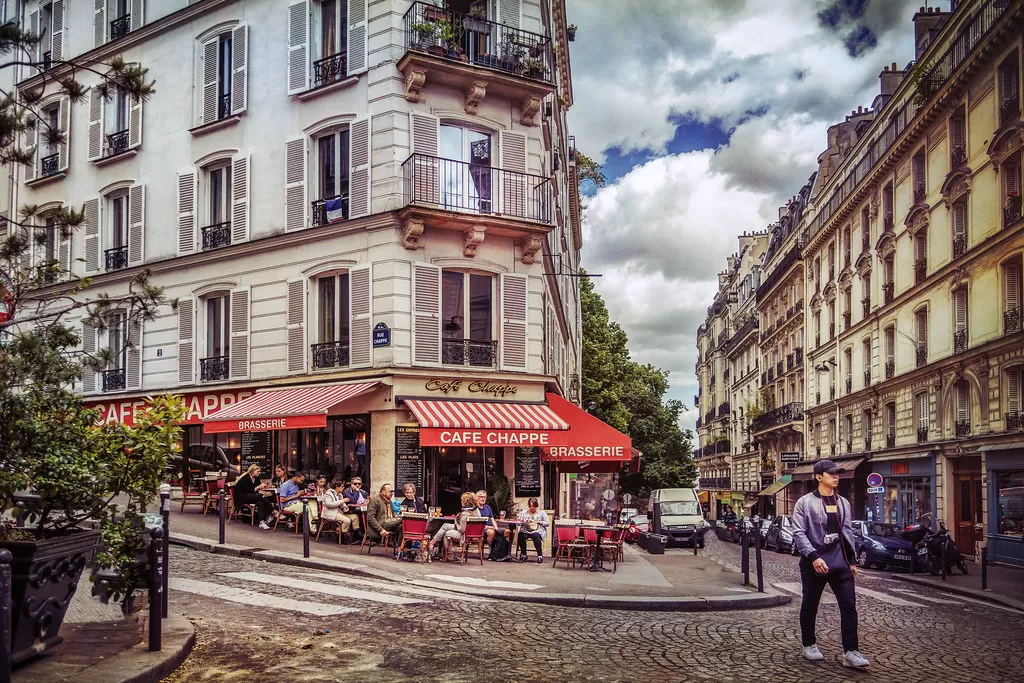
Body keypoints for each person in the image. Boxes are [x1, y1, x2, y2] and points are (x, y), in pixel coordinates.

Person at [792, 459, 869, 669]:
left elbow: (847, 532)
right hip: (814, 562)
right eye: (831, 474)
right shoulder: (805, 503)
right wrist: (813, 556)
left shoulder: (843, 502)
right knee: (810, 604)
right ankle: (809, 644)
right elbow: (798, 532)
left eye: (837, 474)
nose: (836, 477)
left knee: (849, 607)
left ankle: (851, 651)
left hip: (839, 562)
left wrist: (851, 559)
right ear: (819, 477)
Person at [429, 492, 479, 561]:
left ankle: (449, 555)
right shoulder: (476, 511)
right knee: (445, 526)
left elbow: (461, 529)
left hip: (464, 534)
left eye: (462, 500)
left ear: (465, 501)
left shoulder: (465, 514)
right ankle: (433, 544)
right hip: (475, 533)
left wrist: (456, 521)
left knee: (447, 532)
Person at [233, 464, 277, 529]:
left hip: (251, 496)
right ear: (252, 471)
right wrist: (258, 487)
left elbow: (258, 488)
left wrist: (265, 486)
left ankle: (261, 522)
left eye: (260, 472)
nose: (259, 473)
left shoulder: (256, 478)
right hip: (241, 497)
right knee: (261, 496)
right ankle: (274, 511)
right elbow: (246, 490)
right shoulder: (245, 478)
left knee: (260, 503)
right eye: (258, 471)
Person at [366, 483, 402, 547]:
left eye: (392, 491)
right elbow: (370, 518)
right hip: (381, 524)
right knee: (404, 519)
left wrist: (397, 516)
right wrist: (380, 529)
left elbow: (394, 512)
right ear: (383, 492)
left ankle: (400, 549)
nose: (392, 493)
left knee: (402, 526)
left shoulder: (388, 501)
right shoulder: (375, 501)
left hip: (389, 522)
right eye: (390, 491)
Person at [516, 497, 549, 564]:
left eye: (534, 506)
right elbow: (518, 523)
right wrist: (522, 521)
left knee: (535, 535)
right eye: (531, 506)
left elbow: (547, 523)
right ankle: (524, 554)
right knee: (521, 535)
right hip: (526, 529)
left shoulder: (542, 513)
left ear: (537, 506)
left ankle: (540, 556)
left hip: (537, 530)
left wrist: (538, 522)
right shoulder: (524, 512)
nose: (532, 508)